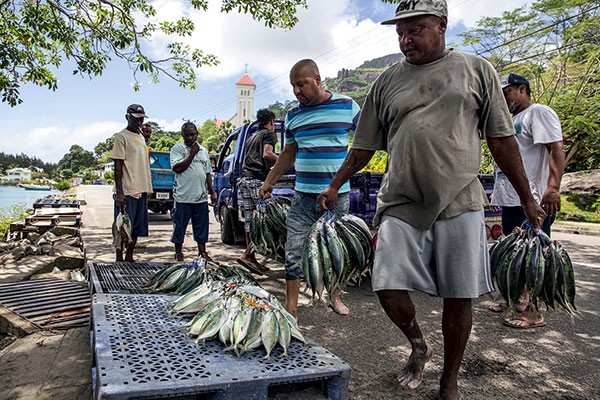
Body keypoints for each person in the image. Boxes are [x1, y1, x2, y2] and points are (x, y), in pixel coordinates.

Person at [316, 2, 545, 399]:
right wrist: (336, 184)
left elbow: (501, 140)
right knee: (385, 283)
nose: (407, 40)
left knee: (459, 294)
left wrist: (527, 197)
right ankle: (418, 345)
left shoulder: (476, 70)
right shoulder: (385, 83)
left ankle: (449, 378)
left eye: (417, 29)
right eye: (401, 33)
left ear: (441, 25)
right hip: (400, 199)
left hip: (459, 198)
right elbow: (363, 146)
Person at [259, 59, 361, 318]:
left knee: (335, 248)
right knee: (294, 250)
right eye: (293, 86)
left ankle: (334, 294)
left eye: (301, 84)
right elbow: (288, 154)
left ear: (317, 80)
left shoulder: (348, 106)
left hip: (338, 195)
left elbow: (365, 144)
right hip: (303, 196)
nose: (296, 91)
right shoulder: (293, 116)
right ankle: (291, 306)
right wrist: (269, 181)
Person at [489, 73, 565, 328]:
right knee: (512, 252)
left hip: (532, 199)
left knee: (532, 257)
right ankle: (513, 299)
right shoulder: (512, 119)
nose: (503, 97)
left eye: (506, 92)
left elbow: (555, 148)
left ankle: (533, 312)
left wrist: (553, 187)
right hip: (512, 198)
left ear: (522, 89)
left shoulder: (539, 112)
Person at [237, 109, 279, 275]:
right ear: (270, 122)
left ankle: (252, 258)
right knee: (264, 222)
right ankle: (247, 254)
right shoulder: (269, 134)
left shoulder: (251, 137)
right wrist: (287, 160)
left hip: (245, 180)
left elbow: (244, 164)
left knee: (250, 221)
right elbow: (267, 154)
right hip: (257, 182)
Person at [109, 104, 153, 262]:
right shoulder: (122, 137)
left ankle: (130, 255)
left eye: (141, 119)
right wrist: (120, 192)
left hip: (141, 189)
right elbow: (118, 166)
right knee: (122, 227)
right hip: (127, 190)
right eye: (135, 119)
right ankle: (119, 256)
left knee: (136, 227)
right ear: (127, 117)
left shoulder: (141, 137)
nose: (138, 122)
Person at [170, 122, 217, 262]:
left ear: (197, 134)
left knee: (201, 228)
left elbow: (207, 173)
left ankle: (202, 253)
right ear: (182, 135)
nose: (190, 138)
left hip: (200, 197)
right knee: (180, 228)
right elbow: (177, 168)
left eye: (193, 134)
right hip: (183, 197)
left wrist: (212, 192)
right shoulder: (177, 149)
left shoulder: (204, 151)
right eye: (187, 135)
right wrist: (192, 153)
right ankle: (178, 254)